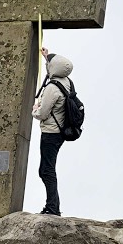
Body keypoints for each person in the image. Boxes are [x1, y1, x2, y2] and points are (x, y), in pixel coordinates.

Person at [32, 47, 74, 216]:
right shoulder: (67, 81)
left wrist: (34, 109)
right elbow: (53, 71)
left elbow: (42, 113)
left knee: (46, 170)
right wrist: (46, 56)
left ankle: (52, 208)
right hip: (61, 131)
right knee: (47, 169)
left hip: (50, 133)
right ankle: (53, 206)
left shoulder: (52, 88)